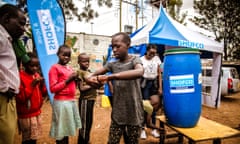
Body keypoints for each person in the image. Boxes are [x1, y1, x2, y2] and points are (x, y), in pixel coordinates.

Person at [86, 32, 144, 144]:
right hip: (118, 113)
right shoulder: (112, 64)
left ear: (128, 45)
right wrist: (91, 79)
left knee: (132, 141)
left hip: (134, 112)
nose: (114, 49)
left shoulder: (135, 61)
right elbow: (91, 75)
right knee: (112, 141)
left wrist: (111, 77)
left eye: (118, 46)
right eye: (113, 47)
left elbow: (139, 71)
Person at [0, 4, 26, 144]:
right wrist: (4, 86)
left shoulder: (9, 39)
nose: (23, 29)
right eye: (21, 24)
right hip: (3, 96)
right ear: (6, 19)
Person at [48, 45, 81, 144]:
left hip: (70, 101)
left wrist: (76, 80)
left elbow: (72, 85)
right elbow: (53, 88)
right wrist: (68, 80)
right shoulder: (54, 68)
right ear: (58, 54)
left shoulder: (69, 68)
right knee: (61, 131)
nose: (66, 57)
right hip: (61, 103)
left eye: (68, 55)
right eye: (64, 55)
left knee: (66, 129)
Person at [16, 52, 47, 144]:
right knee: (27, 139)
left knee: (34, 138)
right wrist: (32, 85)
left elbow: (43, 93)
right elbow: (21, 98)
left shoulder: (36, 75)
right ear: (25, 65)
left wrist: (44, 84)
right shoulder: (20, 77)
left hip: (36, 113)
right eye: (31, 66)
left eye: (37, 66)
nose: (35, 68)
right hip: (26, 115)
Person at [140, 44, 163, 139]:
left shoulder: (156, 59)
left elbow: (159, 74)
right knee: (145, 107)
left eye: (154, 53)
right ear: (147, 51)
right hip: (144, 84)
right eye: (151, 53)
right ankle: (142, 129)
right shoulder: (141, 60)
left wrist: (160, 87)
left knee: (154, 106)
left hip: (154, 84)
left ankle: (153, 129)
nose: (152, 55)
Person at [77, 53, 98, 144]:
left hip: (91, 100)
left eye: (88, 61)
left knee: (89, 122)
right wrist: (93, 85)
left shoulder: (89, 72)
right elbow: (81, 88)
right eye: (84, 61)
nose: (87, 63)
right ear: (79, 62)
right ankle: (83, 141)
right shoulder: (79, 72)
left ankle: (86, 140)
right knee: (84, 123)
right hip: (85, 100)